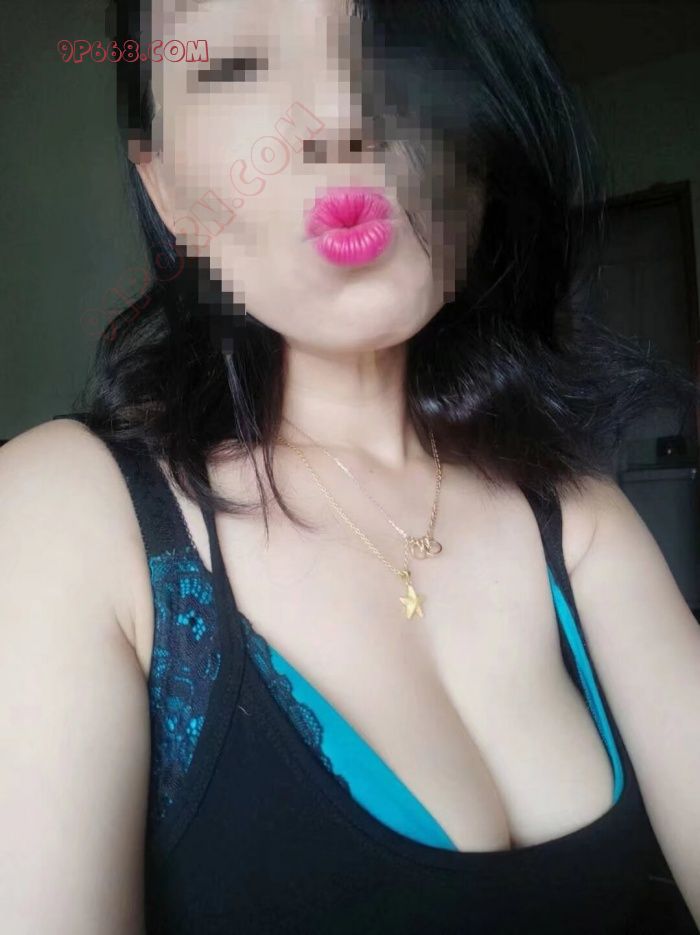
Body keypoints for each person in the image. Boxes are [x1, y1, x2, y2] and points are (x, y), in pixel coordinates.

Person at [2, 0, 699, 932]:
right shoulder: (62, 517)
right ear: (167, 194)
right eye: (234, 64)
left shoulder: (576, 511)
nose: (338, 112)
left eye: (390, 37)